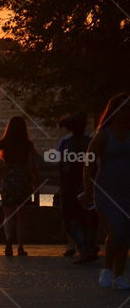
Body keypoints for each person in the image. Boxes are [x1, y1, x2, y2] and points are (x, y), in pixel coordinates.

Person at [83, 93, 130, 290]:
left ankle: (119, 275)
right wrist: (87, 190)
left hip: (127, 191)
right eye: (122, 109)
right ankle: (107, 269)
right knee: (116, 231)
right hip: (106, 192)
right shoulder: (103, 135)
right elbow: (88, 163)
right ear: (114, 111)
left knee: (125, 233)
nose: (126, 113)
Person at [55, 114, 97, 263]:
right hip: (88, 183)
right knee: (88, 216)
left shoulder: (65, 142)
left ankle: (84, 249)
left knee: (71, 219)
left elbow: (59, 163)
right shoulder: (90, 141)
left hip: (70, 185)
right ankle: (90, 246)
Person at [0, 116, 40, 256]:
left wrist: (3, 168)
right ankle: (20, 247)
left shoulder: (4, 142)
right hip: (23, 178)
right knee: (22, 215)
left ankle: (8, 241)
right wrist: (35, 178)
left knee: (7, 214)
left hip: (8, 177)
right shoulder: (27, 144)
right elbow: (31, 164)